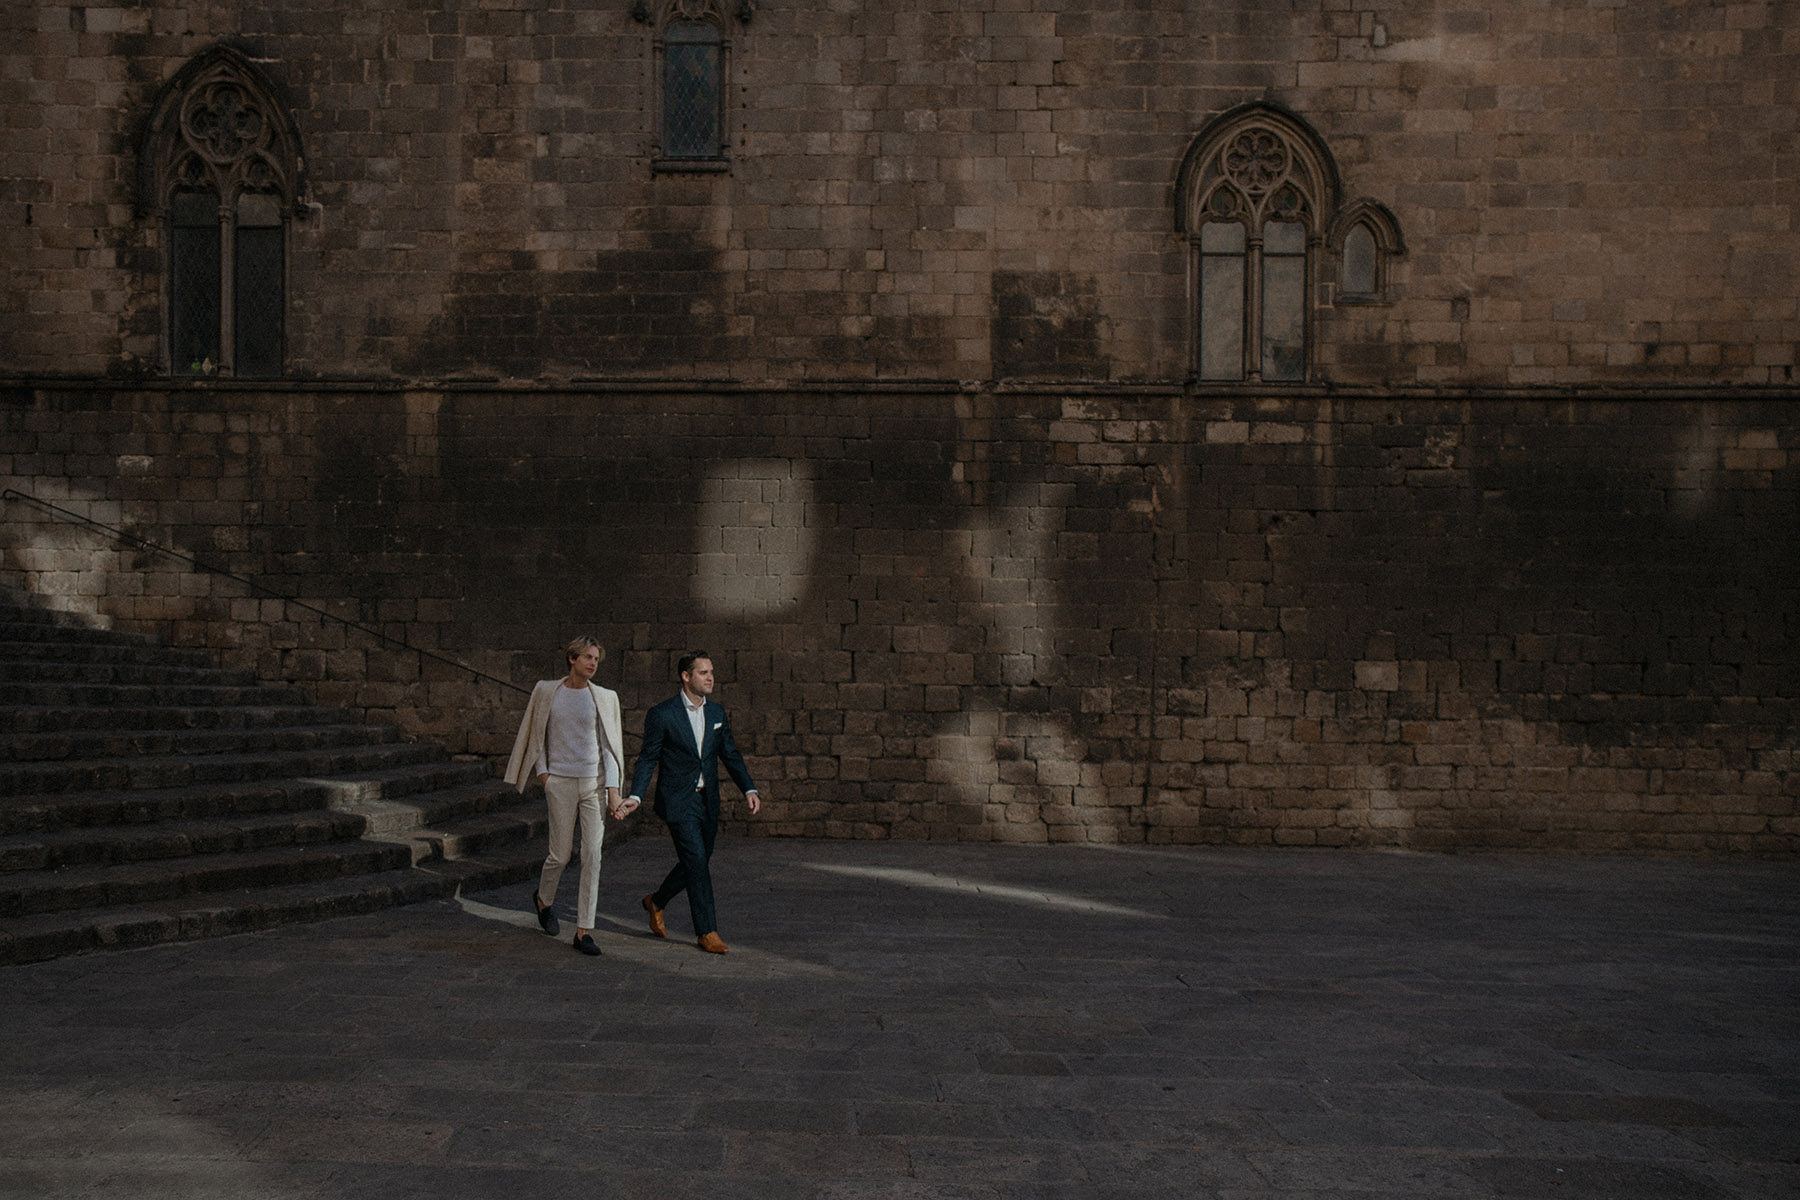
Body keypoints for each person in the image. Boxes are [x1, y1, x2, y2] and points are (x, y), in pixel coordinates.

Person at [503, 635, 636, 956]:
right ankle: (543, 899)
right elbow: (539, 734)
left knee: (593, 854)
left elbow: (611, 748)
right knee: (560, 855)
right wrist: (544, 775)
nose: (593, 663)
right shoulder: (547, 690)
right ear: (572, 658)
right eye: (587, 657)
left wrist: (613, 793)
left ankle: (583, 931)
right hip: (559, 782)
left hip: (594, 784)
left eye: (596, 659)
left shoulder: (605, 697)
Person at [626, 651, 760, 954]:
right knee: (697, 862)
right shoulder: (662, 714)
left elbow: (730, 754)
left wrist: (748, 788)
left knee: (697, 860)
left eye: (711, 671)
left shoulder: (716, 714)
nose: (710, 677)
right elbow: (648, 758)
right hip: (678, 801)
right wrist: (636, 795)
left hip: (707, 801)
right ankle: (707, 931)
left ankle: (656, 901)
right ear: (686, 677)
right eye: (703, 672)